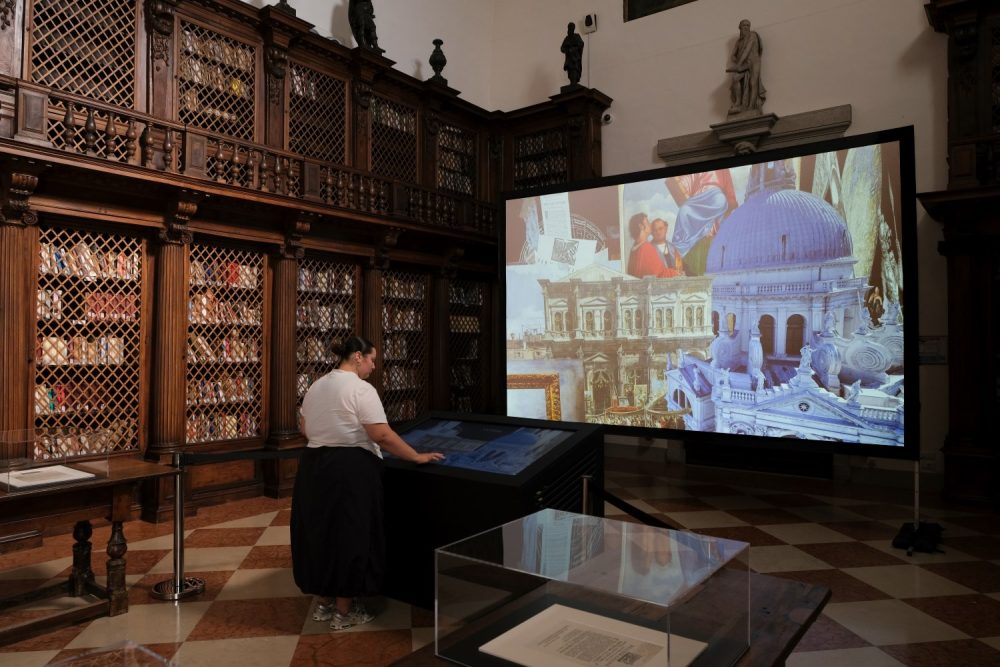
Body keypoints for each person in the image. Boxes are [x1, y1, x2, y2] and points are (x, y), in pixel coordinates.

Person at [291, 335, 444, 631]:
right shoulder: (361, 389)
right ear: (358, 357)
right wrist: (416, 456)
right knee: (351, 534)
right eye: (372, 359)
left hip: (313, 467)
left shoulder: (316, 386)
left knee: (320, 533)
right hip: (350, 468)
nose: (374, 366)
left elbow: (305, 428)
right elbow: (381, 435)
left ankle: (323, 603)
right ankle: (344, 612)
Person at [665, 169, 737, 276]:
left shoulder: (723, 169)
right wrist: (677, 181)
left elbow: (729, 189)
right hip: (697, 199)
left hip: (715, 195)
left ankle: (707, 230)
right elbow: (688, 180)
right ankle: (681, 251)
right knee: (683, 211)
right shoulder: (696, 166)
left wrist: (730, 201)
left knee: (720, 201)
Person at [727, 19, 765, 115]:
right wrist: (736, 60)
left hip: (754, 62)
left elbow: (747, 51)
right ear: (740, 27)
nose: (746, 27)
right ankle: (738, 102)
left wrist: (738, 65)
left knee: (753, 83)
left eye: (748, 25)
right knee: (735, 79)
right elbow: (732, 55)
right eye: (744, 25)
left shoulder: (752, 35)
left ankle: (751, 106)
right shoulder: (738, 42)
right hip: (744, 63)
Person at [626, 212, 672, 278]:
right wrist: (676, 273)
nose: (650, 225)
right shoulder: (646, 248)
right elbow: (660, 275)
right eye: (647, 222)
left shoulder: (635, 247)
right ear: (641, 226)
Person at [561, 22, 584, 86]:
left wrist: (574, 48)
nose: (570, 29)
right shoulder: (567, 38)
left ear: (573, 29)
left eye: (571, 28)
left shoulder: (577, 36)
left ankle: (574, 82)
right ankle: (572, 82)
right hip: (569, 58)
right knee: (570, 70)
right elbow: (562, 48)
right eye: (569, 28)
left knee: (574, 69)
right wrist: (567, 49)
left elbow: (581, 44)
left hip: (575, 58)